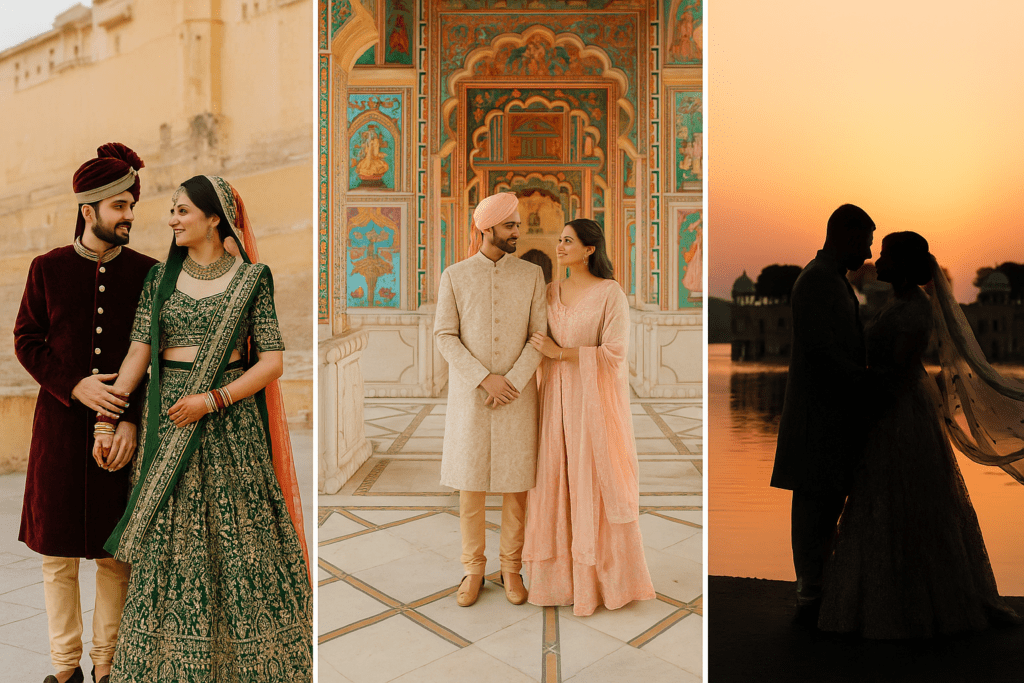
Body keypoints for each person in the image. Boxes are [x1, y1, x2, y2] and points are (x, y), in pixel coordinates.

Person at [96, 176, 312, 681]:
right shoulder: (160, 282)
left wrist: (212, 400)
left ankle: (251, 662)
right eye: (172, 211)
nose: (172, 219)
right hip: (168, 422)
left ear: (215, 218)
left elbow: (272, 362)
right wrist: (108, 418)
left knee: (241, 542)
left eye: (182, 211)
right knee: (173, 544)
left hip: (230, 425)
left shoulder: (253, 278)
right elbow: (137, 355)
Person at [818, 232, 1019, 638]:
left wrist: (863, 404)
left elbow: (896, 371)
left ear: (904, 265)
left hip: (901, 411)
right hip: (898, 406)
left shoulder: (914, 308)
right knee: (891, 501)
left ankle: (912, 604)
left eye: (887, 255)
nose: (879, 261)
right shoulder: (901, 302)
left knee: (905, 500)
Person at [14, 143, 157, 683]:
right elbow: (27, 340)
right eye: (119, 206)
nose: (130, 217)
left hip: (120, 435)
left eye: (131, 206)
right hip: (58, 431)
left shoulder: (147, 273)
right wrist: (73, 386)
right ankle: (64, 670)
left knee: (114, 555)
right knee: (58, 559)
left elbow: (156, 359)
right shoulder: (46, 269)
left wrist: (131, 419)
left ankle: (107, 667)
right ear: (88, 209)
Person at [522, 218, 656, 616]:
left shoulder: (610, 294)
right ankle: (556, 581)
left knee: (595, 480)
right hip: (554, 402)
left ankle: (604, 581)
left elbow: (615, 353)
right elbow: (531, 339)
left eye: (567, 241)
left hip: (593, 403)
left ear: (589, 249)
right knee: (555, 478)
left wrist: (559, 353)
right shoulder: (549, 292)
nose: (558, 246)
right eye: (558, 240)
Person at [434, 191, 547, 607]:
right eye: (510, 225)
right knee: (471, 489)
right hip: (472, 397)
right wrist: (484, 379)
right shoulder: (455, 276)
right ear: (487, 228)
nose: (518, 231)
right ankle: (473, 571)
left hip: (517, 397)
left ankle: (512, 569)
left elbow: (539, 338)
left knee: (517, 488)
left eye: (518, 224)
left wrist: (511, 381)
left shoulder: (532, 275)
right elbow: (444, 335)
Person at [770, 204, 875, 619]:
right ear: (845, 236)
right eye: (865, 241)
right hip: (816, 420)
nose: (867, 253)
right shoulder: (817, 282)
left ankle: (816, 596)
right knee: (814, 513)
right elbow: (823, 354)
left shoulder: (830, 280)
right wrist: (870, 383)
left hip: (828, 420)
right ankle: (810, 600)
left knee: (822, 509)